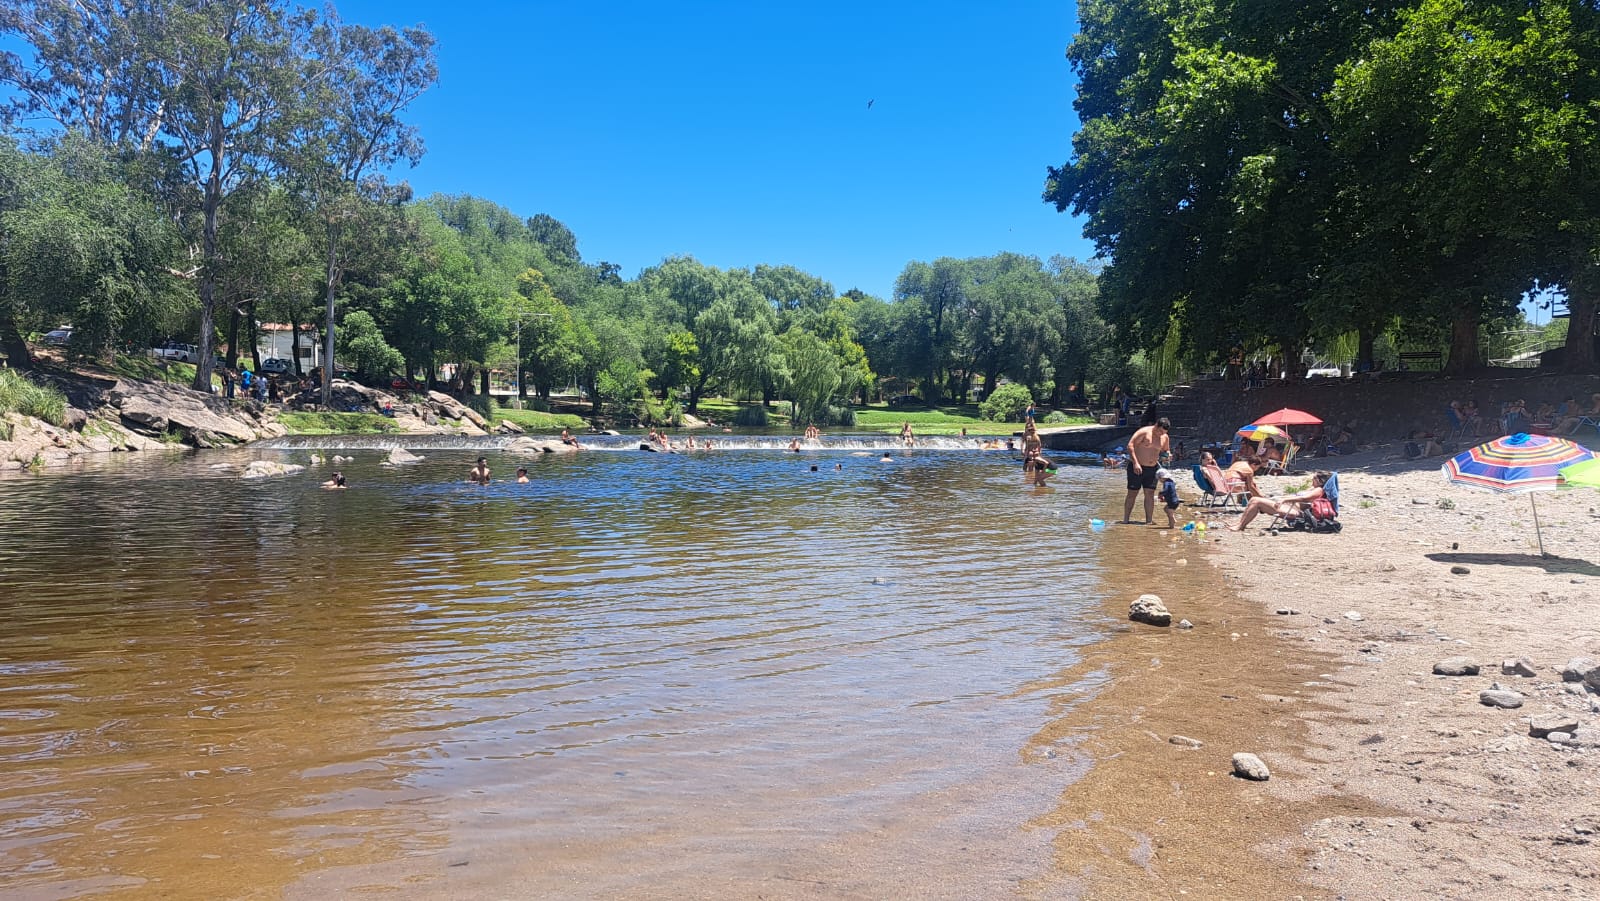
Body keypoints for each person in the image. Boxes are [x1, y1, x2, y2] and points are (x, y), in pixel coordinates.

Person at [1230, 471, 1332, 531]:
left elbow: (1304, 499)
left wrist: (1285, 499)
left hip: (1295, 512)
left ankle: (1240, 526)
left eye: (1313, 478)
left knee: (1256, 501)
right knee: (1254, 499)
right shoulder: (1313, 489)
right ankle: (1240, 524)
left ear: (1319, 481)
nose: (1311, 480)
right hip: (1289, 507)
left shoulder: (1319, 490)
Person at [1122, 417, 1171, 524]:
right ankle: (1126, 520)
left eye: (1164, 432)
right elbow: (1130, 446)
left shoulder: (1164, 437)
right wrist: (1135, 463)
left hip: (1153, 468)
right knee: (1132, 493)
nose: (1161, 434)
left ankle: (1149, 520)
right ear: (1156, 426)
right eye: (1160, 431)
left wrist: (1168, 455)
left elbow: (1166, 450)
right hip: (1137, 467)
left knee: (1149, 493)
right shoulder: (1144, 432)